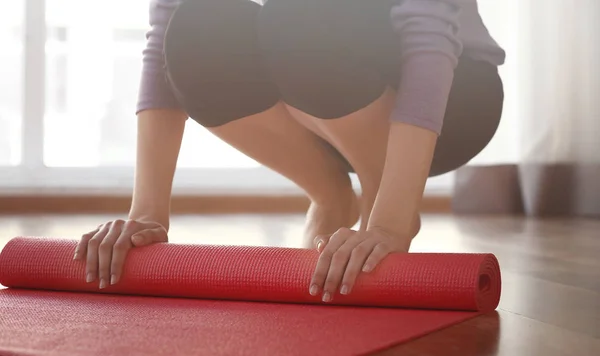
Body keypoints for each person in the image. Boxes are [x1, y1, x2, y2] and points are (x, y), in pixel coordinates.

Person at [73, 0, 505, 303]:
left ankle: (381, 194)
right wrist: (146, 213)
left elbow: (430, 37)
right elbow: (164, 36)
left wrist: (392, 222)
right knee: (196, 28)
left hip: (455, 100)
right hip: (325, 104)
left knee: (298, 14)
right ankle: (330, 195)